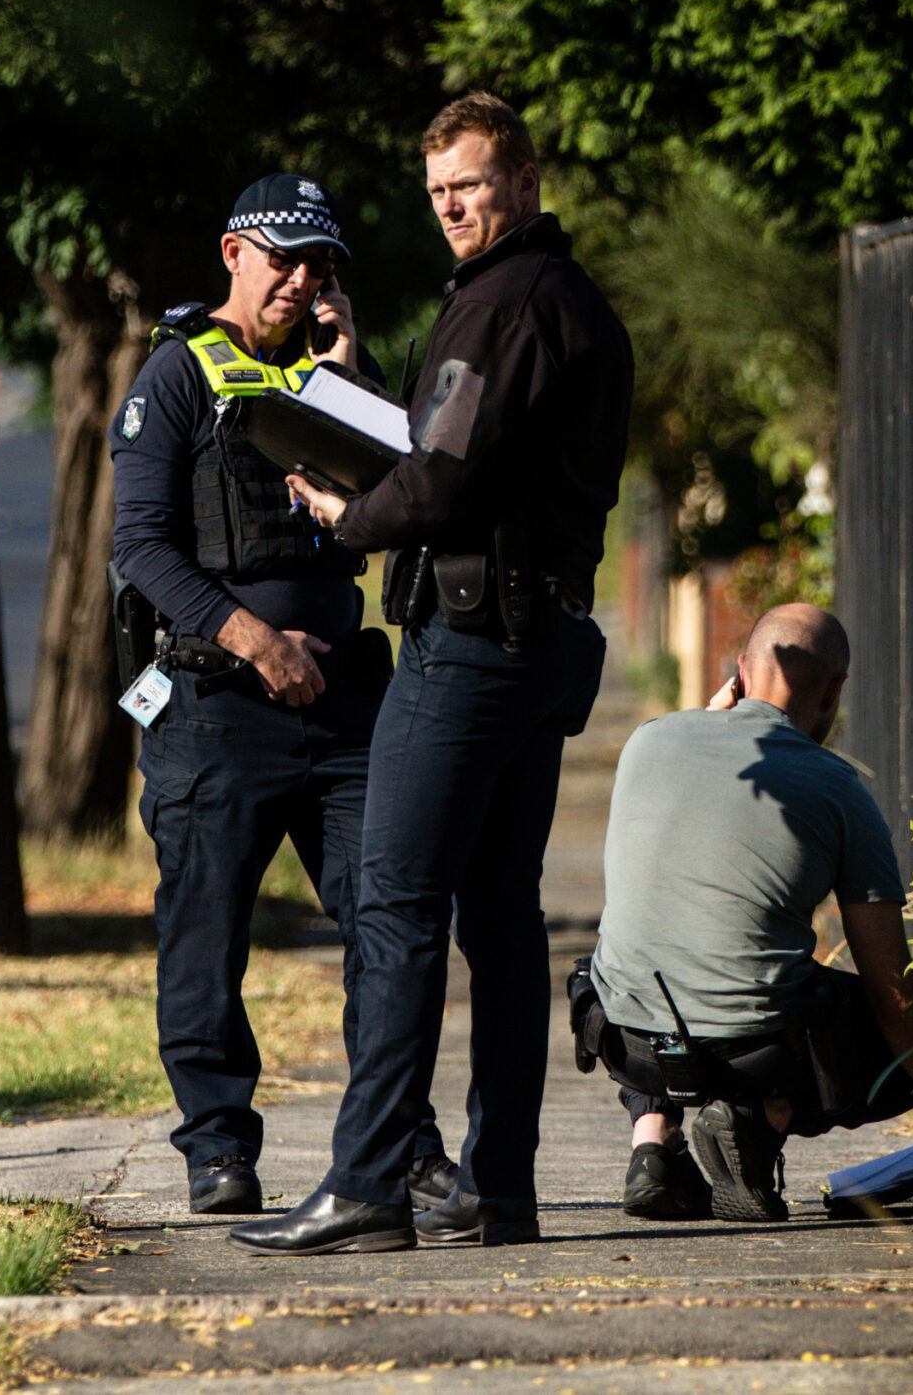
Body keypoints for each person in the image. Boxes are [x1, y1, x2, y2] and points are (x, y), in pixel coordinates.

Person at [231, 92, 634, 1254]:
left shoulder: (501, 304)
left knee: (396, 901)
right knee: (501, 914)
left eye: (468, 185)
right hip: (541, 638)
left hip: (468, 644)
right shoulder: (575, 306)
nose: (452, 208)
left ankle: (364, 1183)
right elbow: (471, 457)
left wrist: (349, 518)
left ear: (524, 178)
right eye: (437, 194)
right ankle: (498, 1183)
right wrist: (364, 412)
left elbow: (442, 479)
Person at [106, 173, 455, 1214]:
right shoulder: (175, 376)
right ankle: (218, 1146)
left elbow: (406, 495)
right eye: (285, 259)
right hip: (217, 702)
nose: (302, 282)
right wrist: (256, 641)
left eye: (320, 266)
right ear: (232, 254)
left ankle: (402, 1142)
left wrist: (349, 376)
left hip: (343, 701)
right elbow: (140, 547)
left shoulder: (336, 370)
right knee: (206, 933)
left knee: (387, 922)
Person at [578, 603, 913, 1222]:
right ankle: (762, 1116)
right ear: (834, 693)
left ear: (738, 673)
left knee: (649, 948)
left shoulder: (648, 742)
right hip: (755, 1054)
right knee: (899, 1036)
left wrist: (711, 717)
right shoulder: (838, 788)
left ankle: (653, 1140)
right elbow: (894, 995)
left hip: (624, 1038)